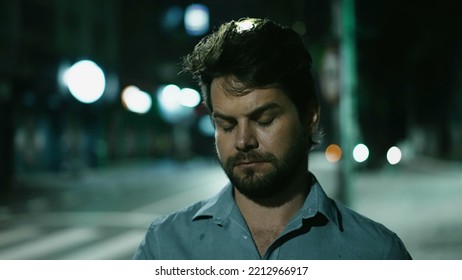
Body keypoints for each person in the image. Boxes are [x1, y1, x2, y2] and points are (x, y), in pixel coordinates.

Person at [133, 18, 412, 260]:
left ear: (309, 116)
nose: (243, 141)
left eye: (264, 119)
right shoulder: (165, 246)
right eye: (227, 124)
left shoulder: (375, 254)